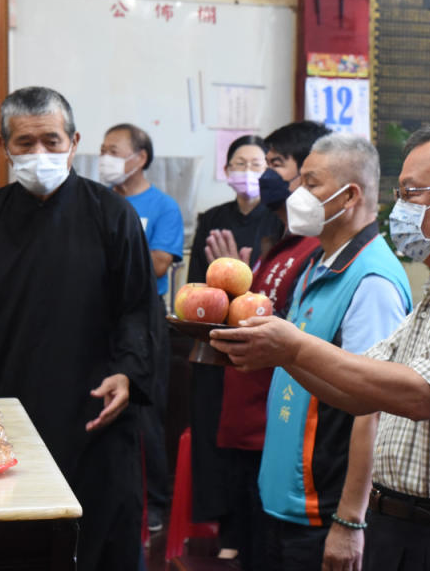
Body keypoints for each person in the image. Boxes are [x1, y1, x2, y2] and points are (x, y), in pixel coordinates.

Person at [210, 120, 430, 570]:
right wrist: (278, 353)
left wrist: (293, 348)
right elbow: (362, 388)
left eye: (412, 194)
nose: (399, 209)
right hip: (404, 527)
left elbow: (419, 394)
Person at [0, 86, 156, 571]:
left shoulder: (113, 216)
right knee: (12, 544)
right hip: (5, 417)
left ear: (73, 141)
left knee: (100, 541)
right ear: (4, 148)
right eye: (25, 143)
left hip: (96, 413)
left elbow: (137, 309)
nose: (39, 153)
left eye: (51, 140)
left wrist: (129, 372)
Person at [254, 132, 411, 571]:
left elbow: (374, 406)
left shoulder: (372, 281)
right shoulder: (316, 263)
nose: (295, 193)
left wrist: (350, 521)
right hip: (283, 501)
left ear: (351, 195)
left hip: (323, 509)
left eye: (311, 183)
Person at [201, 120, 331, 570]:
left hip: (276, 423)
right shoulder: (280, 242)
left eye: (276, 164)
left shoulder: (315, 249)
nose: (266, 177)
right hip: (248, 417)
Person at [185, 134, 283, 559]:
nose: (248, 172)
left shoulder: (277, 220)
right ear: (226, 173)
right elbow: (194, 290)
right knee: (214, 438)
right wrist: (221, 281)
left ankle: (251, 529)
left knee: (253, 441)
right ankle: (224, 529)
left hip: (256, 348)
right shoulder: (212, 218)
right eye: (239, 163)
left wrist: (242, 277)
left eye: (257, 163)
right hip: (213, 347)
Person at [100, 122, 184, 531]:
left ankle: (155, 505)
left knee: (147, 415)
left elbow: (159, 264)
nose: (106, 158)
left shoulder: (162, 206)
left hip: (146, 318)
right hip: (99, 317)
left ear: (141, 158)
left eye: (114, 150)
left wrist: (109, 262)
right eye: (103, 150)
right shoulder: (96, 201)